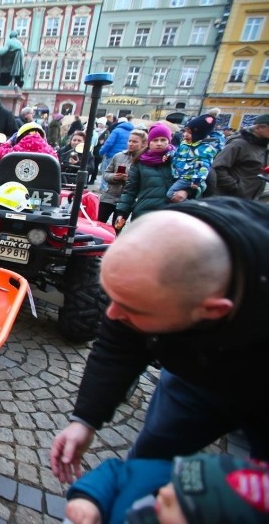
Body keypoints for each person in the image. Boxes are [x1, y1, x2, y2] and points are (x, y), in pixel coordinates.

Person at [50, 196, 269, 487]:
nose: (112, 315)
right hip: (192, 376)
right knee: (153, 455)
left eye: (132, 309)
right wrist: (85, 419)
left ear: (211, 310)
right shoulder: (155, 268)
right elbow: (117, 344)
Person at [65, 452, 269, 524]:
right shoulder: (158, 480)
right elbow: (116, 471)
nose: (165, 492)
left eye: (182, 502)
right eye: (177, 479)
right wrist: (89, 499)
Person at [113, 128, 169, 229]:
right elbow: (130, 190)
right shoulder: (140, 162)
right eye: (155, 140)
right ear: (149, 142)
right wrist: (122, 213)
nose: (159, 143)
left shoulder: (178, 160)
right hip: (144, 213)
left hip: (169, 215)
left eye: (163, 140)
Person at [213, 114, 269, 200]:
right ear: (258, 128)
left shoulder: (264, 146)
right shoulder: (239, 144)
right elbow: (218, 167)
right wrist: (236, 188)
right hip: (229, 200)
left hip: (249, 200)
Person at [97, 128, 146, 225]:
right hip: (109, 197)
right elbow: (106, 174)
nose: (131, 143)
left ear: (143, 144)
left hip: (126, 202)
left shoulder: (143, 160)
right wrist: (114, 177)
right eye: (129, 141)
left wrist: (128, 179)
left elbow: (143, 182)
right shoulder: (119, 156)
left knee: (117, 228)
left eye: (135, 142)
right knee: (98, 224)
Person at [167, 113, 220, 203]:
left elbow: (204, 166)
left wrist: (197, 180)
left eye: (190, 133)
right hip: (180, 175)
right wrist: (169, 154)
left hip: (188, 178)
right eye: (185, 131)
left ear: (199, 135)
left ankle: (194, 206)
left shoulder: (204, 149)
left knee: (170, 194)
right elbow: (177, 153)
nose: (185, 134)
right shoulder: (185, 144)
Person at [98, 117, 134, 193]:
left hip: (112, 155)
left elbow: (109, 143)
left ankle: (104, 189)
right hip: (125, 156)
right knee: (120, 174)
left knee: (107, 172)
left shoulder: (116, 130)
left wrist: (101, 151)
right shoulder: (132, 132)